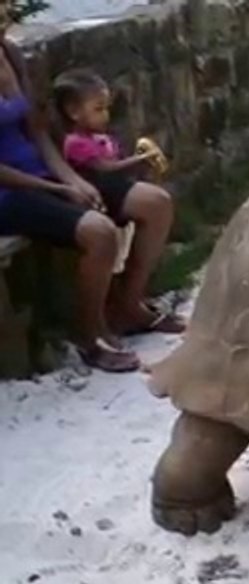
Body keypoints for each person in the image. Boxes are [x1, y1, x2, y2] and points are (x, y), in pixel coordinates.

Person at [0, 6, 183, 373]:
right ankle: (90, 334)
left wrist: (71, 178)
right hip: (9, 192)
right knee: (98, 233)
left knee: (156, 203)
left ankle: (128, 306)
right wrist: (58, 189)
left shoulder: (10, 53)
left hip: (43, 172)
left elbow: (37, 131)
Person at [54, 68, 166, 179]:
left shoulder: (102, 139)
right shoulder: (76, 143)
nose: (106, 114)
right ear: (74, 112)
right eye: (99, 109)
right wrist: (140, 159)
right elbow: (106, 169)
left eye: (107, 108)